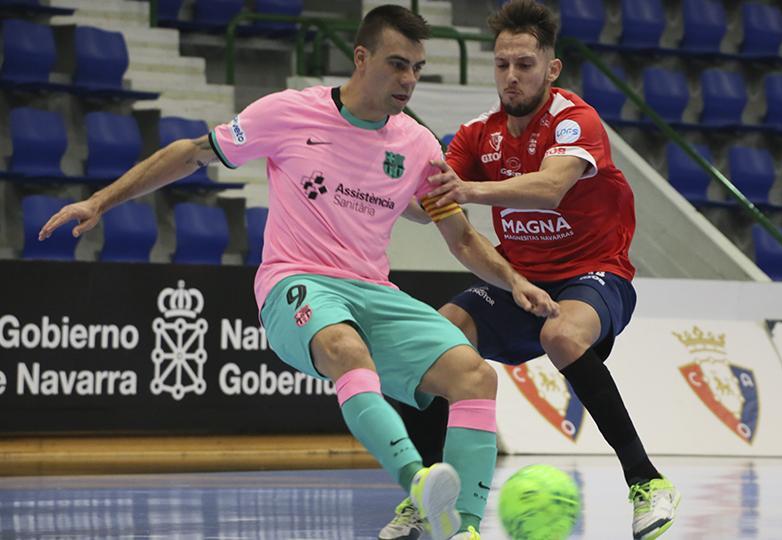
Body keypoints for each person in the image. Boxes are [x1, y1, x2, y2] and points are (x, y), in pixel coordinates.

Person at [38, 6, 560, 540]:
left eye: (417, 69)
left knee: (475, 376)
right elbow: (192, 154)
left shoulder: (418, 144)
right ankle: (418, 482)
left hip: (373, 290)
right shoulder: (289, 113)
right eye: (397, 64)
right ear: (361, 58)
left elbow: (462, 238)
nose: (408, 80)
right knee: (345, 349)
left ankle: (463, 529)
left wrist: (513, 279)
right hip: (297, 281)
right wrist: (101, 201)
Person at [379, 2, 680, 540]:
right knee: (427, 341)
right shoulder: (479, 133)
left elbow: (549, 188)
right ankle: (424, 493)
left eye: (524, 64)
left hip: (595, 274)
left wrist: (466, 189)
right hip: (517, 279)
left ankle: (646, 481)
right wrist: (386, 186)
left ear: (551, 68)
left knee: (560, 332)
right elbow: (430, 207)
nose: (511, 76)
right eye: (502, 65)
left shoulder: (574, 119)